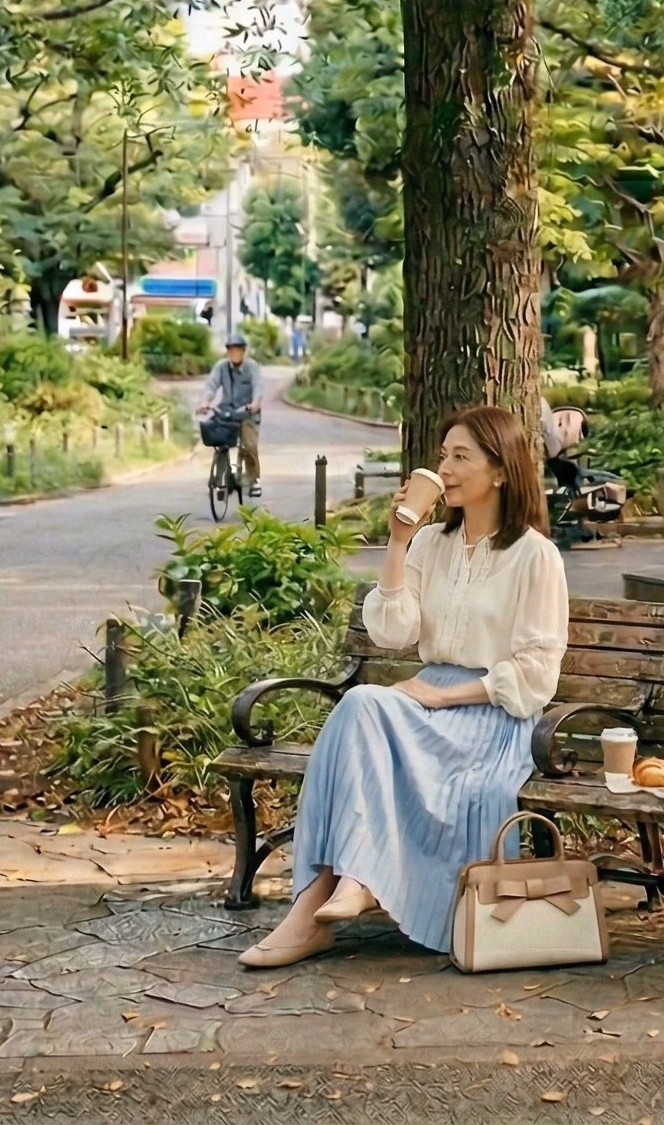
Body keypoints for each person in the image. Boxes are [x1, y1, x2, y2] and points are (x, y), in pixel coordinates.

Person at [239, 406, 568, 968]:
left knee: (365, 704)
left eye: (462, 456)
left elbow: (537, 672)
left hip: (490, 716)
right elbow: (392, 632)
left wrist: (445, 695)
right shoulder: (431, 545)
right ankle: (343, 888)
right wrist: (397, 543)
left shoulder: (535, 556)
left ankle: (330, 895)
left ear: (502, 471)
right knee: (363, 704)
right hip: (425, 704)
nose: (447, 467)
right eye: (444, 456)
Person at [201, 332, 262, 498]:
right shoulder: (221, 366)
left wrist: (255, 403)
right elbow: (211, 385)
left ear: (243, 351)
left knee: (249, 446)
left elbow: (258, 388)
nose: (234, 353)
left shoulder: (252, 367)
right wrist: (205, 402)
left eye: (237, 350)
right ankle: (222, 478)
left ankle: (254, 479)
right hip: (226, 411)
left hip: (247, 412)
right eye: (231, 350)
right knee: (219, 442)